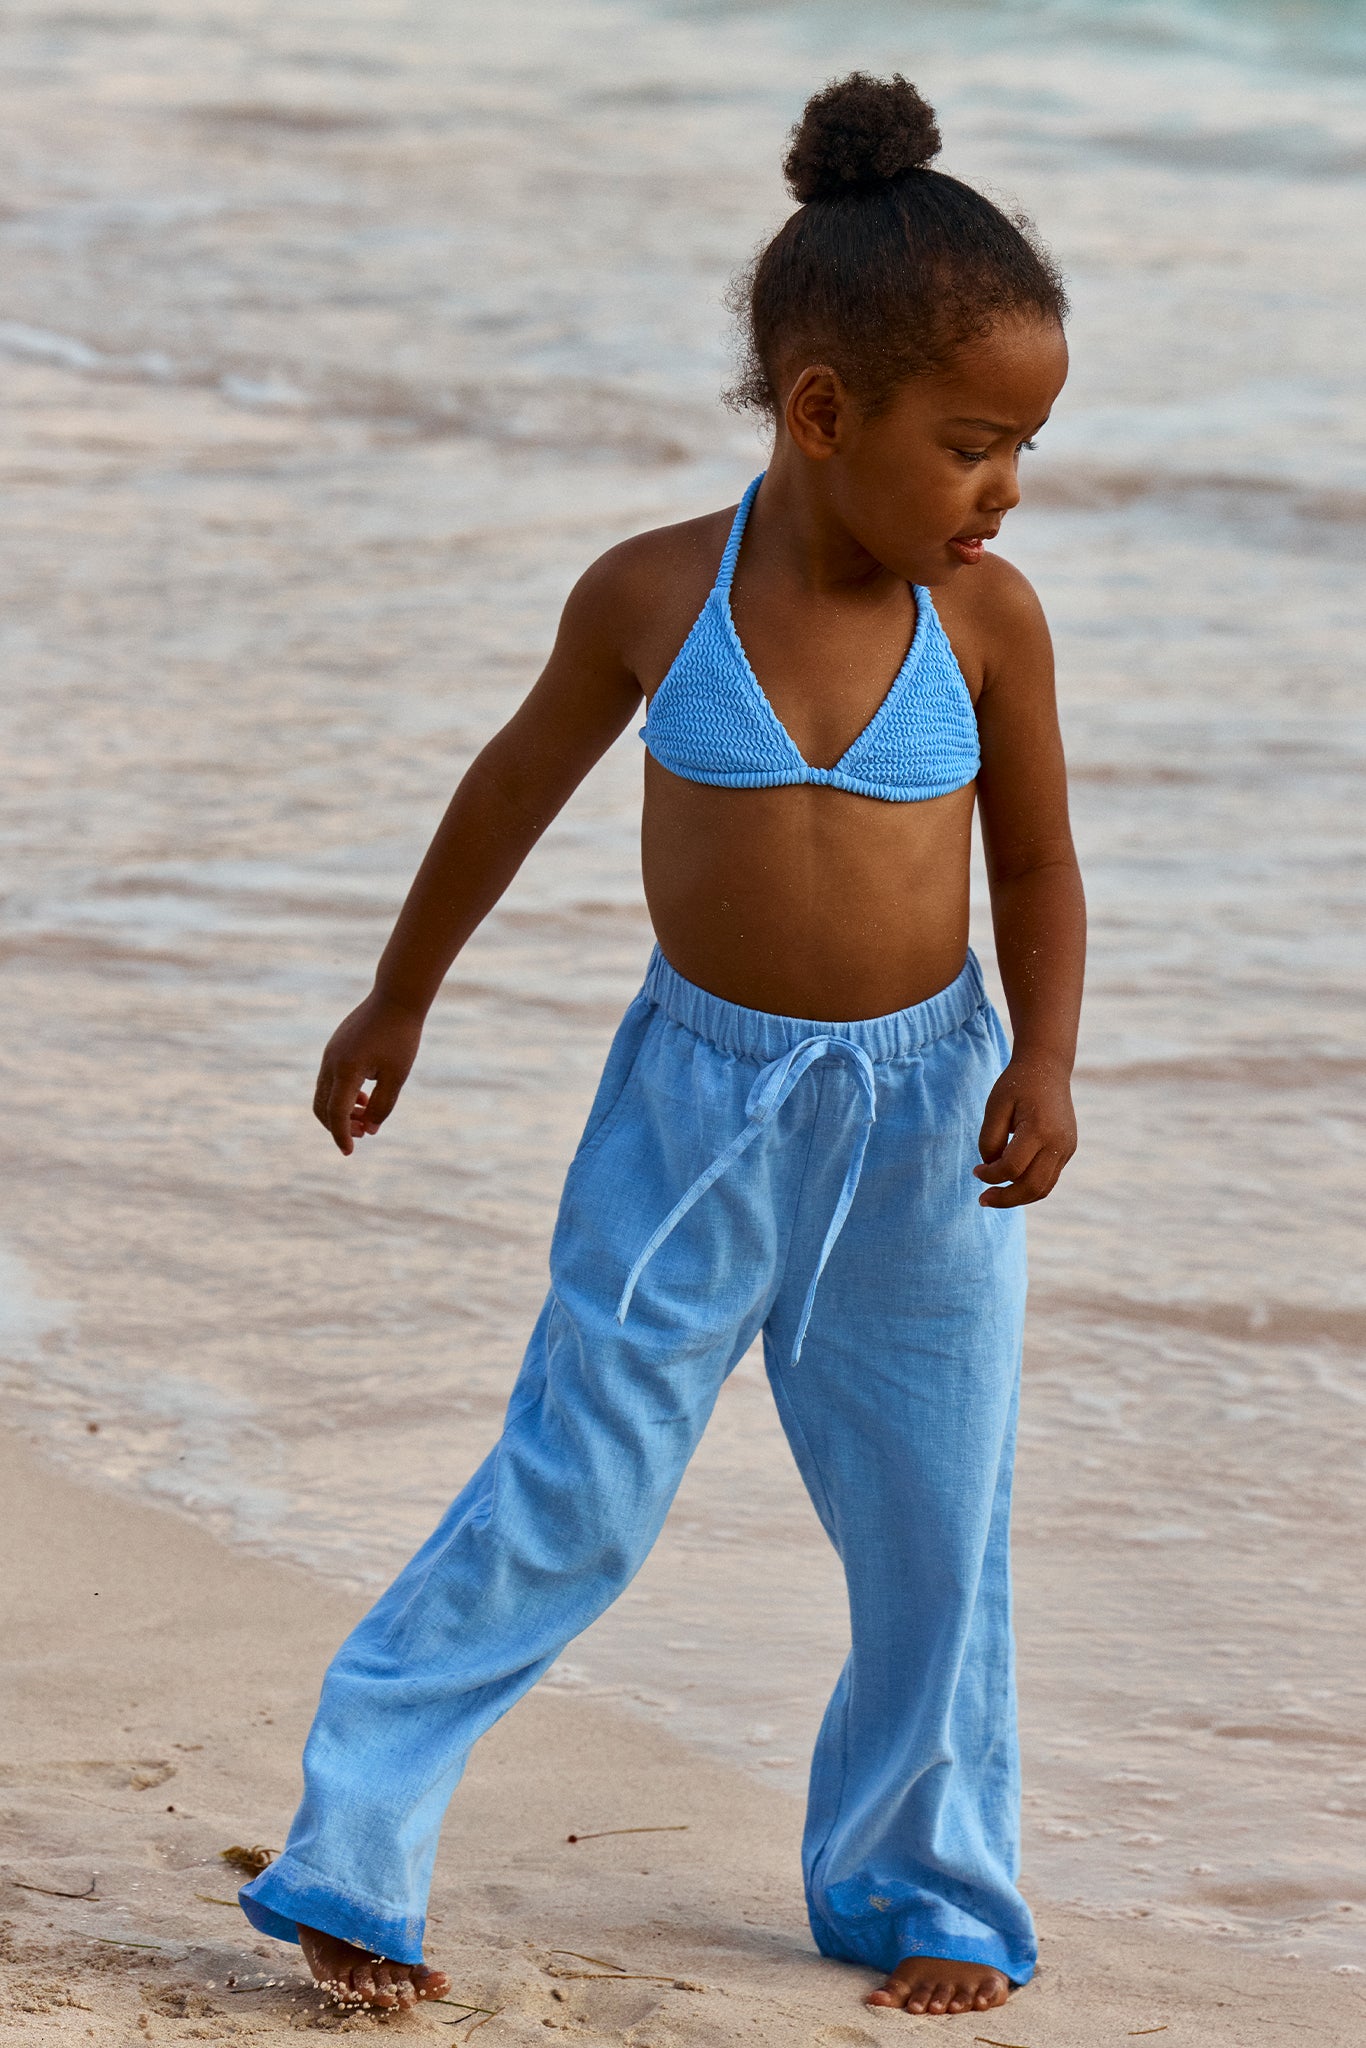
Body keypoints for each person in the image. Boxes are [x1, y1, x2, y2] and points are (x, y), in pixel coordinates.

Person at [240, 71, 1084, 2022]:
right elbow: (507, 790)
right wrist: (397, 995)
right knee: (577, 1485)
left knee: (930, 1523)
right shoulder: (649, 598)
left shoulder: (987, 629)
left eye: (1019, 448)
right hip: (689, 1113)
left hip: (920, 1134)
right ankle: (353, 1844)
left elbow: (1034, 862)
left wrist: (1041, 1059)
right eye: (971, 445)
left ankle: (921, 1891)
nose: (1002, 490)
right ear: (819, 413)